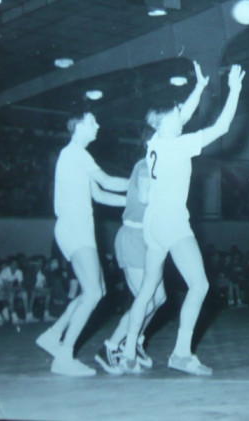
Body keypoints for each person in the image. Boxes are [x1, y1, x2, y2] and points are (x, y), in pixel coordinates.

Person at [119, 62, 245, 376]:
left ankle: (128, 351)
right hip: (173, 221)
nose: (183, 118)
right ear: (164, 121)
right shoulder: (176, 145)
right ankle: (181, 353)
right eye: (177, 115)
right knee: (199, 285)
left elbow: (183, 115)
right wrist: (236, 91)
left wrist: (200, 88)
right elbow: (221, 129)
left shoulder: (155, 144)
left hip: (152, 225)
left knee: (148, 289)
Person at [35, 108, 128, 377]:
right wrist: (140, 183)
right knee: (94, 293)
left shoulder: (76, 157)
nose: (97, 125)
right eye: (92, 121)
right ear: (77, 127)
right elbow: (108, 181)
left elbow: (101, 195)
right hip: (75, 228)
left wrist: (135, 201)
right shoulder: (76, 154)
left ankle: (54, 334)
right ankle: (63, 357)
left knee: (95, 289)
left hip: (76, 228)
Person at [94, 152, 167, 375]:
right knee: (146, 300)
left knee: (160, 298)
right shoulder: (146, 164)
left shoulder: (161, 168)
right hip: (134, 237)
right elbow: (145, 198)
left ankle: (132, 341)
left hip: (150, 238)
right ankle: (110, 347)